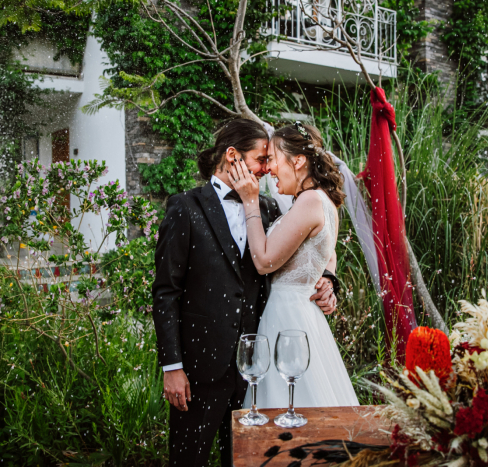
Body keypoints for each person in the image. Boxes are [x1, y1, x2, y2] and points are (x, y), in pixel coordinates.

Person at [151, 119, 339, 467]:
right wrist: (172, 367)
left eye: (271, 160)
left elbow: (314, 242)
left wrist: (327, 278)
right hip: (198, 372)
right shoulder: (185, 208)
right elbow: (165, 292)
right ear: (232, 156)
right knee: (186, 460)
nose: (267, 168)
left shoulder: (268, 209)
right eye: (261, 159)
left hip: (256, 371)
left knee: (246, 461)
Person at [230, 122, 359, 409]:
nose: (270, 169)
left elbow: (264, 262)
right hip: (301, 315)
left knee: (288, 409)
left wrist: (250, 201)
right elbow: (327, 255)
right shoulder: (320, 201)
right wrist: (328, 276)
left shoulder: (311, 201)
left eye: (273, 159)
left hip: (288, 319)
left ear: (298, 161)